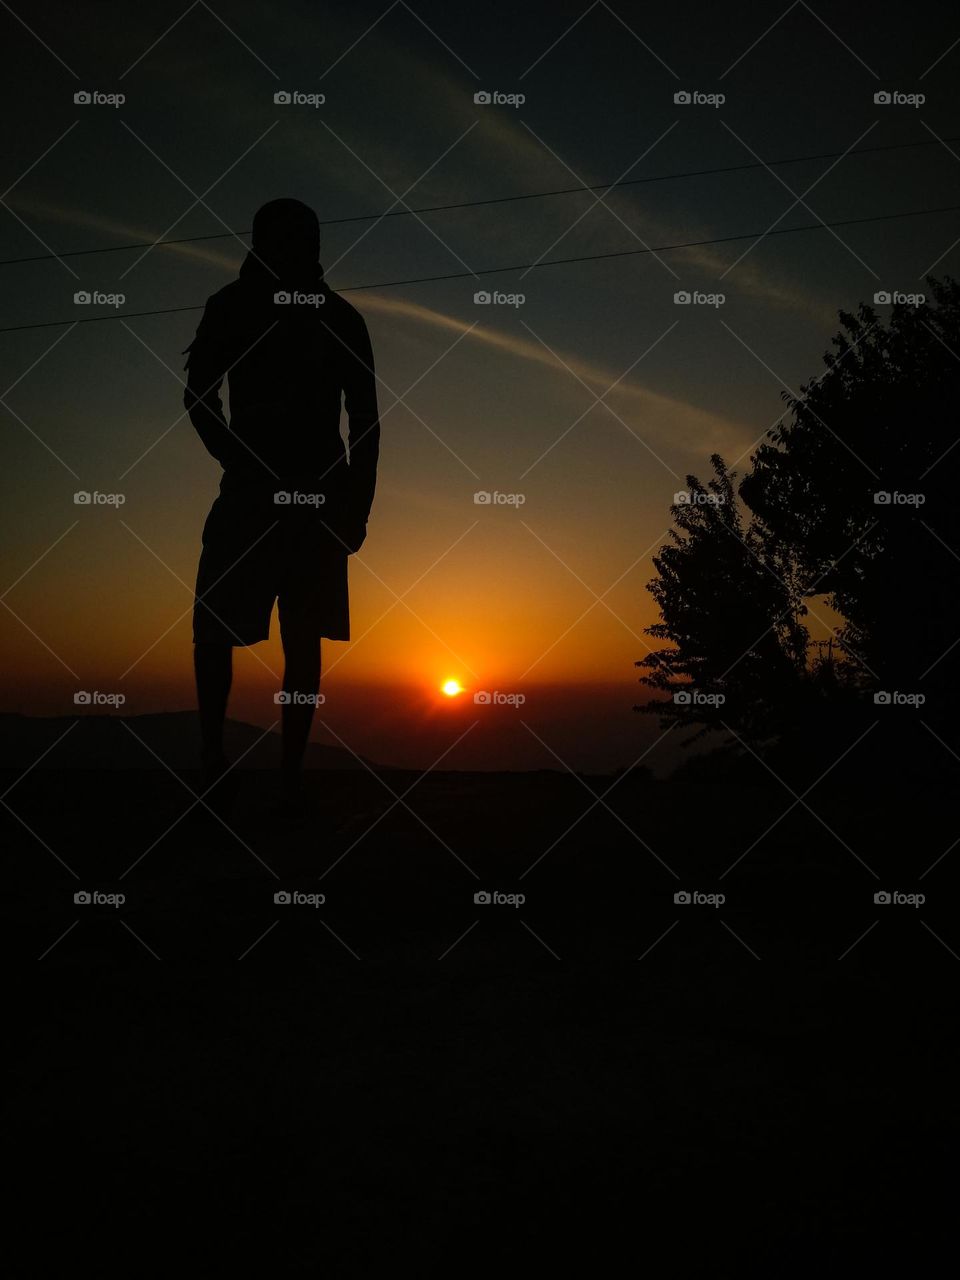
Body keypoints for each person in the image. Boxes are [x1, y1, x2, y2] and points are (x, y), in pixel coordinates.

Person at [183, 197, 380, 811]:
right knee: (220, 629)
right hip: (263, 492)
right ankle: (218, 761)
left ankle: (283, 773)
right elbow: (199, 394)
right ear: (267, 242)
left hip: (312, 498)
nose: (301, 249)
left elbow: (367, 421)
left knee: (298, 635)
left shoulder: (337, 317)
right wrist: (239, 460)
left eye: (307, 237)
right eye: (290, 238)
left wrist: (355, 510)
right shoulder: (236, 307)